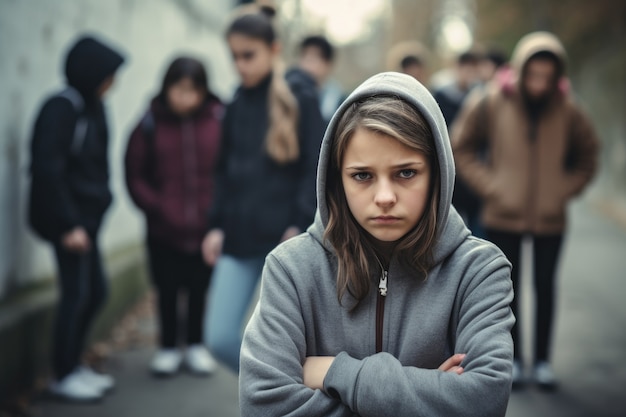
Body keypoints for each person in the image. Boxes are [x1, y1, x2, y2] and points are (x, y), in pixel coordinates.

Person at [239, 72, 515, 416]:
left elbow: (483, 401)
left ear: (438, 174)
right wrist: (428, 393)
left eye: (406, 173)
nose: (384, 197)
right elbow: (263, 404)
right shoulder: (291, 268)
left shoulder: (479, 270)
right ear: (336, 180)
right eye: (362, 176)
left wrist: (333, 373)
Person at [452, 31, 599, 390]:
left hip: (550, 217)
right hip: (503, 214)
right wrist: (492, 187)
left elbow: (589, 155)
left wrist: (564, 189)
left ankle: (544, 362)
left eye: (547, 77)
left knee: (546, 287)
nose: (539, 83)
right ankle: (513, 360)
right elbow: (460, 146)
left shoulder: (569, 108)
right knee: (508, 290)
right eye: (534, 74)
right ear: (521, 69)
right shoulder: (490, 101)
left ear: (556, 75)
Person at [201, 4, 325, 373]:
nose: (240, 65)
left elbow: (316, 169)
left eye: (249, 55)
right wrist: (216, 226)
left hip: (288, 244)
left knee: (303, 343)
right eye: (234, 56)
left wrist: (299, 223)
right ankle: (278, 390)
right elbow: (223, 172)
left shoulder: (302, 98)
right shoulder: (235, 103)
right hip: (237, 240)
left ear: (273, 50)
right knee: (219, 338)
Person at [28, 34, 124, 402]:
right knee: (77, 294)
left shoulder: (94, 107)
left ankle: (72, 364)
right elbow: (47, 170)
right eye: (109, 74)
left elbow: (96, 167)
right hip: (66, 224)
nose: (113, 82)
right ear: (91, 72)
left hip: (86, 223)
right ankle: (62, 374)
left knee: (95, 292)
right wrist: (67, 225)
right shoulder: (62, 107)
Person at [125, 57, 222, 377]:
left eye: (191, 90)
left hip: (206, 229)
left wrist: (218, 213)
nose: (183, 98)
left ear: (202, 91)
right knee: (166, 289)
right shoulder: (149, 122)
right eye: (177, 89)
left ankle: (195, 345)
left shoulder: (218, 119)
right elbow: (134, 173)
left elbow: (230, 171)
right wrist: (157, 207)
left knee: (199, 290)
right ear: (166, 88)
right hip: (163, 229)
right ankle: (167, 347)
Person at [433, 50, 484, 238]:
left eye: (473, 69)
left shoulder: (482, 96)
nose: (468, 74)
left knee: (478, 232)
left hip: (475, 173)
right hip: (449, 169)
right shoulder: (441, 95)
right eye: (465, 68)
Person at [298, 35, 345, 125]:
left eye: (315, 58)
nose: (308, 63)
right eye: (305, 56)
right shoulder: (291, 96)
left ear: (328, 64)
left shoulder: (339, 102)